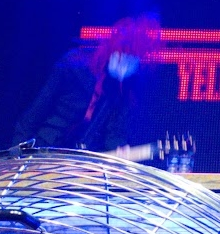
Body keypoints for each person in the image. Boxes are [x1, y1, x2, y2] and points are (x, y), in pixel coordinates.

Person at [15, 15, 162, 154]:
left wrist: (119, 149)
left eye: (131, 61)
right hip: (46, 147)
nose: (124, 67)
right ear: (112, 50)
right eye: (121, 57)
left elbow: (115, 133)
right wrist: (17, 153)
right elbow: (37, 110)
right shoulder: (73, 64)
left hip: (83, 157)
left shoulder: (125, 90)